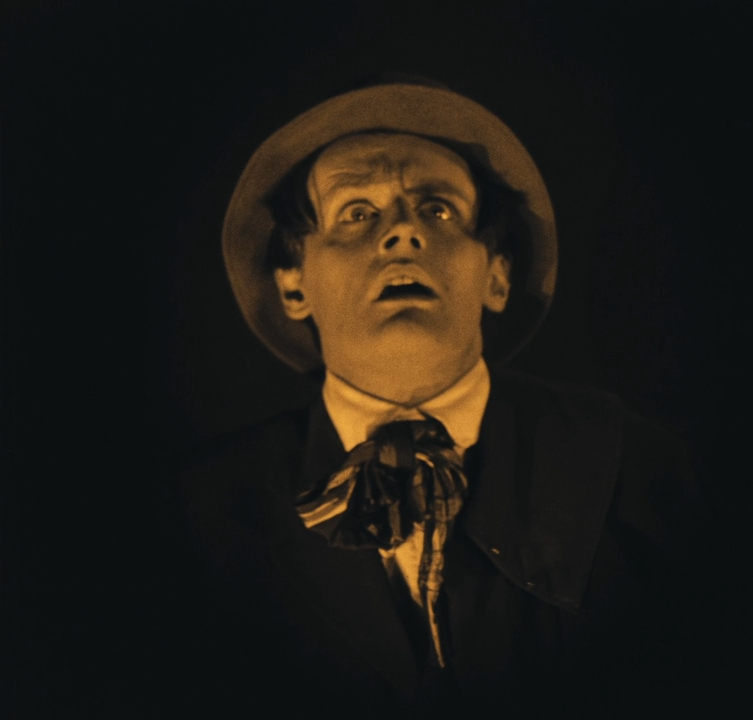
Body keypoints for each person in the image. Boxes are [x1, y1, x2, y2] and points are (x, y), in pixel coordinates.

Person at [169, 76, 722, 718]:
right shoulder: (201, 516)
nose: (402, 232)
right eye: (356, 213)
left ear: (496, 276)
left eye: (438, 210)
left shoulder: (642, 473)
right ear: (294, 286)